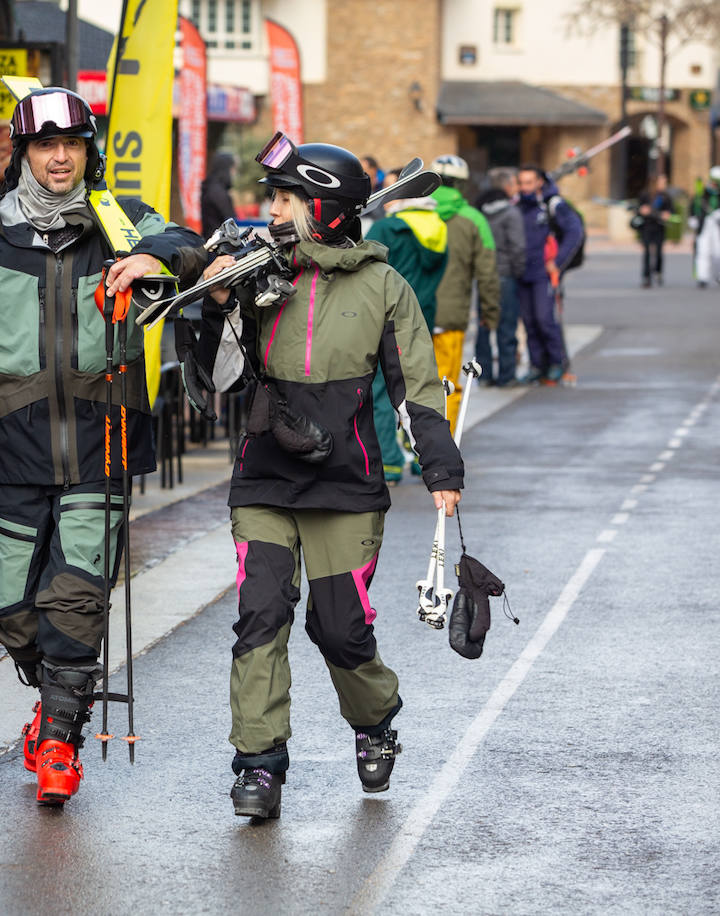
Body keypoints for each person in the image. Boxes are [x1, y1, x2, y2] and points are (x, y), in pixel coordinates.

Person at [0, 84, 207, 807]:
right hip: (15, 447)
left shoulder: (122, 220)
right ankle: (55, 702)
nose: (60, 157)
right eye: (45, 145)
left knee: (76, 601)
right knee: (14, 611)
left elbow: (192, 249)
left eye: (72, 143)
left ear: (88, 148)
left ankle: (60, 742)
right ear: (24, 152)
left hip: (104, 444)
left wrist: (149, 257)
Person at [196, 137, 463, 820]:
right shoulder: (260, 276)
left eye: (283, 198)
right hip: (265, 477)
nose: (270, 210)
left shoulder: (383, 287)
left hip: (346, 484)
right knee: (261, 615)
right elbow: (220, 381)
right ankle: (258, 765)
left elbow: (415, 389)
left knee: (340, 628)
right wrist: (222, 302)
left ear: (322, 208)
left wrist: (440, 464)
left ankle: (375, 720)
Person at [364, 187, 448, 481]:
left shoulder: (387, 227)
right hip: (422, 316)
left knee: (381, 390)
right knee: (418, 389)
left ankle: (388, 461)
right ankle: (419, 458)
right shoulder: (438, 228)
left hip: (385, 318)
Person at [430, 155, 499, 429]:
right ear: (462, 184)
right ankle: (442, 445)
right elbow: (487, 273)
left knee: (415, 383)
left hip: (412, 314)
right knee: (448, 383)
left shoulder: (413, 213)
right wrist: (490, 312)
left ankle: (410, 443)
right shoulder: (474, 219)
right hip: (452, 315)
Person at [514, 165, 582, 385]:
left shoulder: (553, 205)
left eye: (529, 182)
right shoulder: (517, 206)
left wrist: (558, 262)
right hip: (522, 271)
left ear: (539, 182)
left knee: (545, 319)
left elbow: (574, 231)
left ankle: (556, 364)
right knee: (530, 322)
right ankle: (537, 366)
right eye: (521, 182)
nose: (525, 187)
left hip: (544, 272)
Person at [475, 168, 525, 386]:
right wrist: (519, 272)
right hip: (505, 275)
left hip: (484, 276)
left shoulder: (479, 212)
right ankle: (507, 376)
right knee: (507, 327)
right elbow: (518, 248)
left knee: (484, 325)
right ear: (506, 187)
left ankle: (484, 376)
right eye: (514, 184)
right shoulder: (511, 213)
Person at [692, 165, 720, 288]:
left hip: (717, 226)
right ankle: (702, 277)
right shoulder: (702, 193)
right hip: (704, 226)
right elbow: (693, 206)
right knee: (702, 251)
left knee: (718, 252)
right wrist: (692, 218)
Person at [633, 174, 673, 288]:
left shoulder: (666, 196)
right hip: (647, 226)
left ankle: (658, 272)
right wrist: (641, 210)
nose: (664, 184)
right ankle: (646, 277)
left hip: (659, 226)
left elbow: (671, 210)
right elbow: (638, 208)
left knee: (659, 251)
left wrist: (667, 214)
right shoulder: (645, 195)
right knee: (647, 252)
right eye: (662, 182)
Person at [201, 151, 238, 238]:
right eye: (233, 168)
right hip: (218, 242)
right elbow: (230, 220)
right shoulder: (218, 192)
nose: (234, 173)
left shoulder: (210, 187)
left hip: (210, 238)